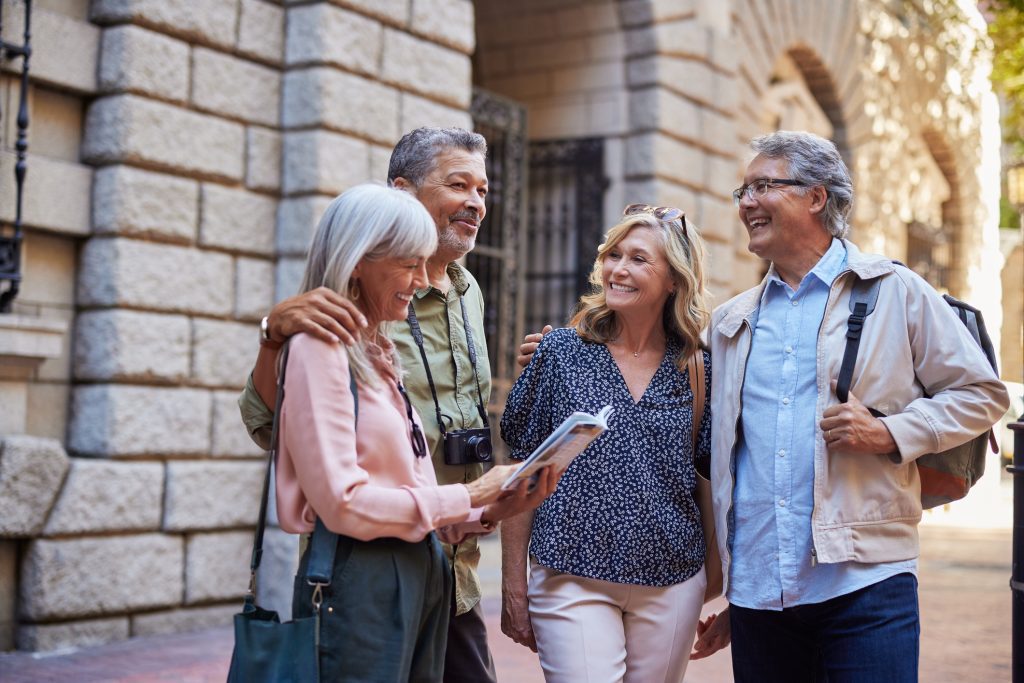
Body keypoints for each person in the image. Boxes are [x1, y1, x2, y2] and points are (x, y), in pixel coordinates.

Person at [708, 130, 1010, 681]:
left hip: (866, 582)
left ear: (816, 197)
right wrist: (575, 347)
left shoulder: (896, 290)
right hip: (759, 591)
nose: (746, 202)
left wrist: (891, 432)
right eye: (742, 190)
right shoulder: (731, 321)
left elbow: (981, 394)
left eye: (762, 186)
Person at [239, 127, 505, 682]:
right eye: (460, 185)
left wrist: (478, 503)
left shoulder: (466, 291)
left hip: (449, 560)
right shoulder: (329, 320)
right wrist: (271, 336)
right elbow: (270, 424)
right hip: (370, 561)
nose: (477, 203)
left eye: (484, 189)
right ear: (402, 191)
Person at [269, 183, 558, 682]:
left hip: (419, 568)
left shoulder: (378, 351)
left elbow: (409, 490)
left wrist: (487, 509)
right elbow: (343, 503)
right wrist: (468, 492)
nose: (422, 279)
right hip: (365, 578)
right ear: (357, 261)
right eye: (409, 263)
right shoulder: (319, 350)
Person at [500, 204, 715, 682]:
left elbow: (715, 475)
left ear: (674, 280)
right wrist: (514, 583)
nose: (618, 269)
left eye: (639, 259)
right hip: (570, 572)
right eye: (614, 255)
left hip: (672, 579)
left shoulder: (701, 366)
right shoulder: (559, 353)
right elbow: (522, 467)